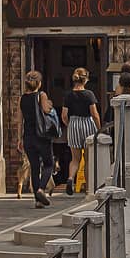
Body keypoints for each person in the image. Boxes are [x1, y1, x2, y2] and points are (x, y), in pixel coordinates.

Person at [18, 71, 56, 208]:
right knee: (48, 164)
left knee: (34, 167)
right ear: (39, 83)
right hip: (42, 136)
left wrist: (19, 139)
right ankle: (41, 189)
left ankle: (38, 201)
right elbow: (46, 110)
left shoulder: (22, 99)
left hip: (28, 137)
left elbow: (19, 120)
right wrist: (50, 105)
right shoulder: (42, 95)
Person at [62, 68, 101, 194]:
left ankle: (70, 179)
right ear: (86, 80)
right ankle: (89, 188)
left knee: (75, 159)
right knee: (88, 159)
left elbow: (64, 115)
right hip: (87, 124)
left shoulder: (68, 95)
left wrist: (70, 124)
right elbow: (94, 114)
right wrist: (99, 129)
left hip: (73, 124)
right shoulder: (89, 94)